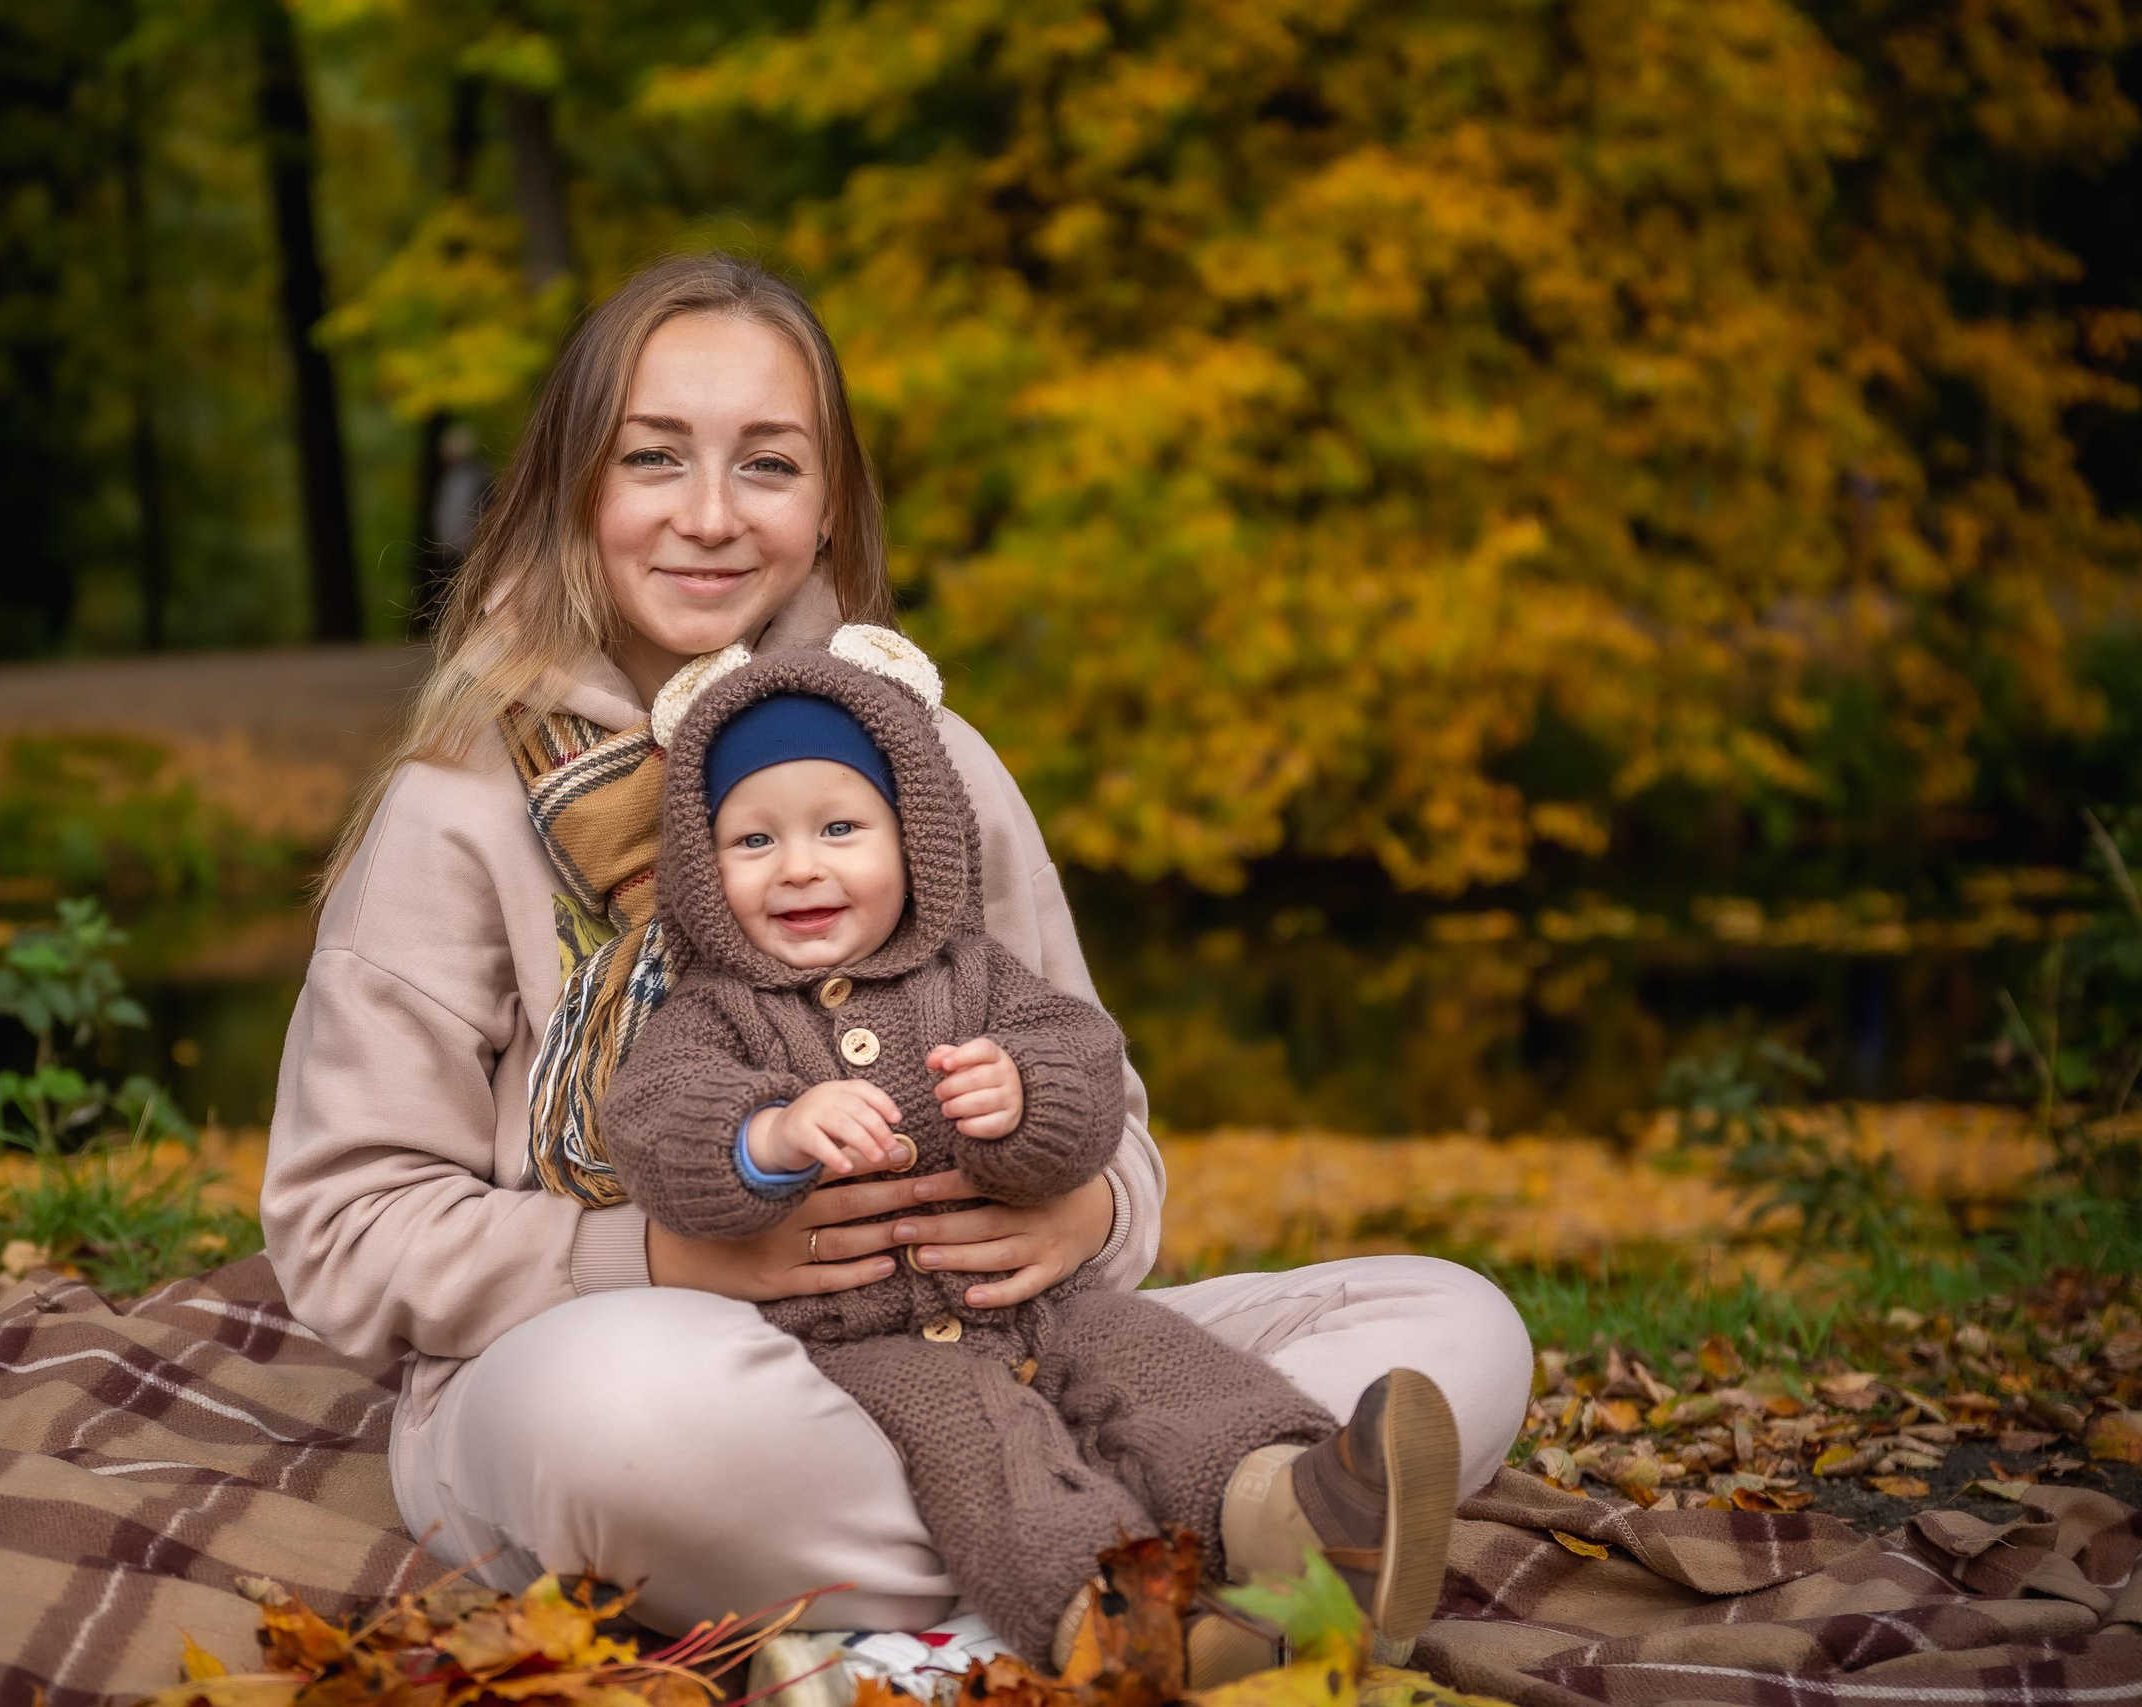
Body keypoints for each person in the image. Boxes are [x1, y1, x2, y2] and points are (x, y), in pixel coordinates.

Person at [260, 251, 1534, 1647]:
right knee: (619, 1418)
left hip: (1006, 1346)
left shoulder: (935, 770)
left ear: (830, 510)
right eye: (653, 458)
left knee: (1460, 1323)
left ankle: (1112, 1569)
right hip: (669, 1373)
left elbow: (1112, 1113)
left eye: (767, 463)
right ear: (577, 489)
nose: (707, 514)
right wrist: (663, 1258)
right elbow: (344, 1228)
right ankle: (1210, 1549)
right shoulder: (459, 801)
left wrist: (1082, 1213)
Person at [602, 632, 1459, 1672]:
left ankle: (1301, 1512)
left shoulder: (975, 973)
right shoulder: (713, 1016)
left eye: (839, 828)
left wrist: (1025, 1097)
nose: (801, 868)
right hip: (856, 1345)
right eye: (753, 843)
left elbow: (1084, 1062)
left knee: (1162, 1366)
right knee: (987, 1453)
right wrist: (766, 1136)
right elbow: (654, 1122)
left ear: (913, 838)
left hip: (1040, 1304)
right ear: (700, 868)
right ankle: (1128, 1631)